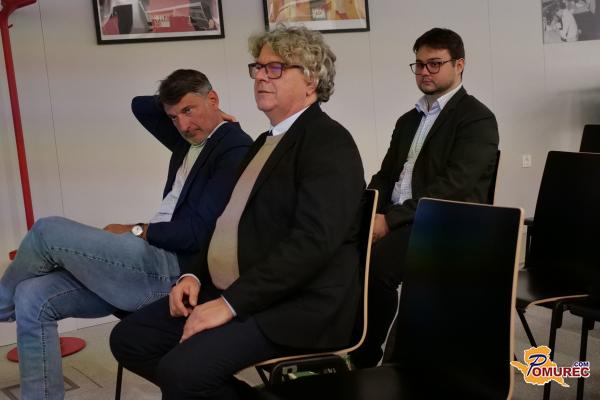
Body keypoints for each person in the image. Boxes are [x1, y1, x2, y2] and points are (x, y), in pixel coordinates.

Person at [110, 24, 365, 400]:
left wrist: (230, 305)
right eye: (258, 67)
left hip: (297, 306)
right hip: (242, 290)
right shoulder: (264, 142)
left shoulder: (329, 142)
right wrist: (194, 275)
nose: (261, 76)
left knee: (182, 371)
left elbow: (312, 244)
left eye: (275, 68)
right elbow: (225, 223)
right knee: (130, 339)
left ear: (311, 80)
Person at [0, 69, 252, 400]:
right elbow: (140, 105)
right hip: (143, 260)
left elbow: (197, 233)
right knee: (32, 295)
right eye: (174, 116)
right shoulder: (189, 137)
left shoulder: (233, 147)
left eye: (189, 110)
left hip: (173, 269)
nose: (183, 124)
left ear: (213, 98)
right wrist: (201, 110)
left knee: (47, 231)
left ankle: (0, 305)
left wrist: (138, 230)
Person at [350, 27, 499, 368]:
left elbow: (454, 187)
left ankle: (365, 359)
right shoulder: (408, 120)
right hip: (401, 217)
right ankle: (339, 344)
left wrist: (389, 221)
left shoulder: (477, 118)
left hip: (445, 224)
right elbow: (385, 176)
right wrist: (365, 211)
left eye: (434, 64)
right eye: (419, 64)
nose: (424, 72)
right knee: (340, 250)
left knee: (377, 265)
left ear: (459, 65)